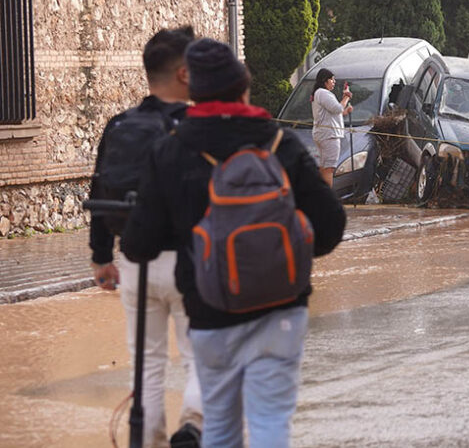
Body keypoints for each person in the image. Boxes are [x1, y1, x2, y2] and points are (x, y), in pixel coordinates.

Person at [122, 39, 346, 447]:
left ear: (195, 93)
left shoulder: (170, 150)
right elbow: (331, 225)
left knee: (220, 429)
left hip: (209, 312)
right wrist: (282, 253)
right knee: (270, 423)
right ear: (243, 88)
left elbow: (140, 243)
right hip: (281, 310)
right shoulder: (281, 145)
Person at [88, 26, 203, 447]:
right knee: (200, 361)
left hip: (135, 263)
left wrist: (102, 257)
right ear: (185, 74)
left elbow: (99, 190)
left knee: (148, 368)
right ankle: (192, 429)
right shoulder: (199, 129)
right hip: (192, 263)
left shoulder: (120, 125)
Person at [311, 68, 352, 186]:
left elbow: (333, 113)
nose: (334, 82)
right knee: (329, 168)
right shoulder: (323, 93)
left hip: (323, 133)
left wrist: (345, 112)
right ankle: (327, 199)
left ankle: (321, 197)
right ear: (325, 80)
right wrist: (346, 97)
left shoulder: (319, 93)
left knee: (323, 168)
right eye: (332, 79)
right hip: (329, 135)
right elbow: (338, 108)